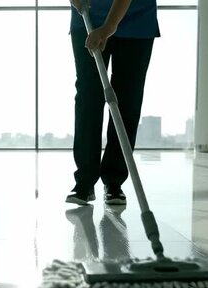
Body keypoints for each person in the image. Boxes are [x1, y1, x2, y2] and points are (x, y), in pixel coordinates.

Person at [66, 0, 159, 206]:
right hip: (88, 15)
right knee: (88, 98)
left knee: (128, 99)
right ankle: (85, 180)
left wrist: (108, 27)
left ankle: (114, 181)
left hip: (136, 18)